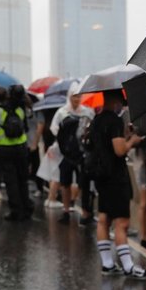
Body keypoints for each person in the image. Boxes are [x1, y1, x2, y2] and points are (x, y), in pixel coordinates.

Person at [89, 89, 146, 279]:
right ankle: (128, 267)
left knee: (103, 219)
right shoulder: (114, 121)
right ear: (116, 101)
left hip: (100, 176)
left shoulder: (97, 120)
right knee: (122, 223)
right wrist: (132, 141)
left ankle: (108, 264)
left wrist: (124, 135)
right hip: (116, 178)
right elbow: (119, 150)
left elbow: (105, 146)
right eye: (121, 102)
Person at [50, 82, 95, 224]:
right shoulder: (62, 112)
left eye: (79, 96)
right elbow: (53, 128)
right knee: (65, 183)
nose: (76, 99)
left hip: (82, 154)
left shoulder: (87, 112)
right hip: (66, 153)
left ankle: (85, 211)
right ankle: (66, 211)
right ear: (69, 97)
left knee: (84, 183)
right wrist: (64, 139)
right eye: (74, 96)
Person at [0, 85, 33, 221]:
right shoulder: (22, 108)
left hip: (5, 149)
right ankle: (27, 209)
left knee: (11, 181)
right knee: (23, 180)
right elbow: (25, 127)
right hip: (21, 147)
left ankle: (16, 211)